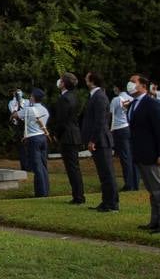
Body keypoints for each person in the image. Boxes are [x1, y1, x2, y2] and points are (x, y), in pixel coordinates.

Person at [129, 73, 160, 234]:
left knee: (159, 189)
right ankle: (155, 221)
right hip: (141, 153)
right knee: (152, 190)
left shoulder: (151, 104)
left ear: (143, 86)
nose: (130, 84)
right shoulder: (134, 104)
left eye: (133, 82)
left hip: (152, 154)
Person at [81, 72, 119, 212]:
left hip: (101, 140)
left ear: (91, 81)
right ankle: (107, 201)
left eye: (87, 78)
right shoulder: (95, 96)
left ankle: (112, 203)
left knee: (107, 173)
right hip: (98, 140)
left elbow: (100, 121)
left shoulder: (99, 97)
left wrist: (93, 139)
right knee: (103, 173)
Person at [50, 73, 86, 204]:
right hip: (74, 133)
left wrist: (56, 134)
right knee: (74, 167)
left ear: (64, 83)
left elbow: (62, 120)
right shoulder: (74, 97)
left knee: (72, 168)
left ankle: (78, 196)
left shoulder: (64, 99)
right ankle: (78, 195)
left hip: (67, 136)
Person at [23, 88, 51, 197]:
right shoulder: (45, 110)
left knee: (37, 166)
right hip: (42, 137)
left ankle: (41, 192)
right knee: (43, 165)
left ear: (34, 98)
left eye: (31, 96)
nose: (29, 98)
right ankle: (46, 189)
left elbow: (17, 115)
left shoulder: (30, 110)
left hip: (33, 138)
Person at [110, 84, 137, 191]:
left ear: (118, 88)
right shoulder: (131, 99)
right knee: (131, 156)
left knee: (124, 157)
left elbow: (111, 115)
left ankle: (129, 184)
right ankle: (134, 182)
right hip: (128, 127)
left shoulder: (116, 100)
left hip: (119, 128)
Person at [8, 89, 29, 171]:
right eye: (16, 92)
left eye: (19, 92)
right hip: (18, 126)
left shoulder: (26, 101)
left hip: (27, 125)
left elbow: (28, 111)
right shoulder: (11, 103)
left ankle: (30, 166)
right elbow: (14, 113)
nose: (18, 94)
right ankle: (24, 166)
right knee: (22, 147)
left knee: (28, 146)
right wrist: (17, 103)